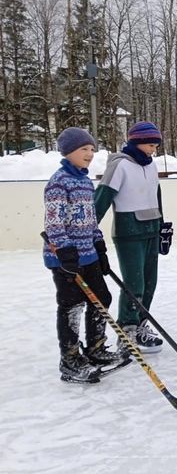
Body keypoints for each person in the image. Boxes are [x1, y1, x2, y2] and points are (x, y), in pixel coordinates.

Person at [44, 128, 127, 384]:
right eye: (84, 149)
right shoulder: (58, 182)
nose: (90, 154)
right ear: (68, 151)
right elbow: (53, 224)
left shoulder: (84, 181)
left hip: (88, 255)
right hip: (65, 260)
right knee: (72, 307)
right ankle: (69, 361)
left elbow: (91, 221)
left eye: (92, 149)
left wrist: (99, 245)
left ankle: (96, 348)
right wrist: (66, 253)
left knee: (102, 298)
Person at [95, 121, 165, 353]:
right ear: (137, 141)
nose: (154, 147)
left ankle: (142, 323)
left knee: (150, 283)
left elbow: (156, 195)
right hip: (129, 231)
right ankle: (127, 329)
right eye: (150, 143)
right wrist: (88, 231)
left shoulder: (151, 165)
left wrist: (162, 226)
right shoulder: (120, 165)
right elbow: (102, 198)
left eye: (156, 142)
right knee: (134, 283)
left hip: (151, 230)